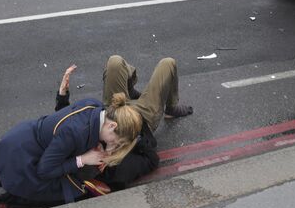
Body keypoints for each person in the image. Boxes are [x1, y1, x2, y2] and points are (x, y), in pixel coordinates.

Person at [55, 55, 193, 190]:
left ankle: (129, 90)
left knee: (115, 62)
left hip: (114, 109)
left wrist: (62, 96)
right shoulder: (119, 171)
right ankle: (171, 106)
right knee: (168, 63)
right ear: (101, 166)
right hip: (142, 118)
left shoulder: (82, 145)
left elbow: (65, 126)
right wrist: (136, 136)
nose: (99, 149)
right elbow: (152, 160)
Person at [0, 92, 142, 208]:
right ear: (112, 125)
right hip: (24, 158)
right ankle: (12, 194)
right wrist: (83, 160)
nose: (113, 145)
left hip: (26, 140)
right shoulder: (74, 132)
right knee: (71, 194)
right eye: (116, 141)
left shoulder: (96, 106)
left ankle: (8, 180)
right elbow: (44, 170)